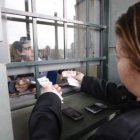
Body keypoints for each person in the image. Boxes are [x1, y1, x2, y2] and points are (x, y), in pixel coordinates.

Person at [29, 2, 140, 140]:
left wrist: (47, 101)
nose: (116, 60)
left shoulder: (121, 133)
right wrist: (84, 79)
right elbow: (121, 93)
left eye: (119, 54)